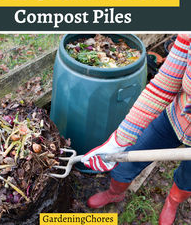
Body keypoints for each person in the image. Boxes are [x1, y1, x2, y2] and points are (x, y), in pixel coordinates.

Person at [82, 34, 191, 225]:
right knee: (127, 159)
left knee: (187, 180)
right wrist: (119, 140)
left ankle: (172, 202)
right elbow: (163, 86)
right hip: (176, 117)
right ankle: (115, 194)